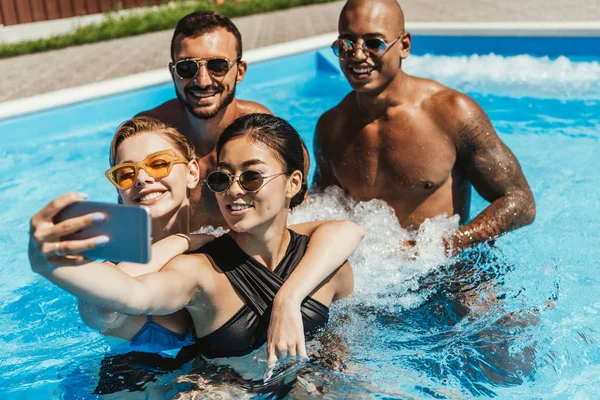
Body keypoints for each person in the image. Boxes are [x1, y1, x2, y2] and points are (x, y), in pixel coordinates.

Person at [28, 113, 360, 372]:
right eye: (126, 174)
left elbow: (342, 231)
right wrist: (48, 262)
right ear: (118, 190)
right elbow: (109, 303)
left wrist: (289, 297)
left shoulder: (227, 229)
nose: (142, 178)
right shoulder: (146, 264)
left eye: (157, 164)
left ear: (191, 173)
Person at [314, 0, 536, 255]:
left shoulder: (452, 113)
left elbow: (520, 201)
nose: (358, 55)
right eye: (346, 44)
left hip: (452, 272)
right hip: (373, 273)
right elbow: (324, 207)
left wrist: (446, 244)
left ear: (404, 45)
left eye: (374, 43)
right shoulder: (331, 127)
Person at [139, 11, 275, 228]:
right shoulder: (146, 136)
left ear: (240, 71)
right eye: (186, 68)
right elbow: (130, 224)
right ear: (173, 72)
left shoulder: (266, 134)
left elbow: (297, 215)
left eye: (217, 66)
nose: (202, 81)